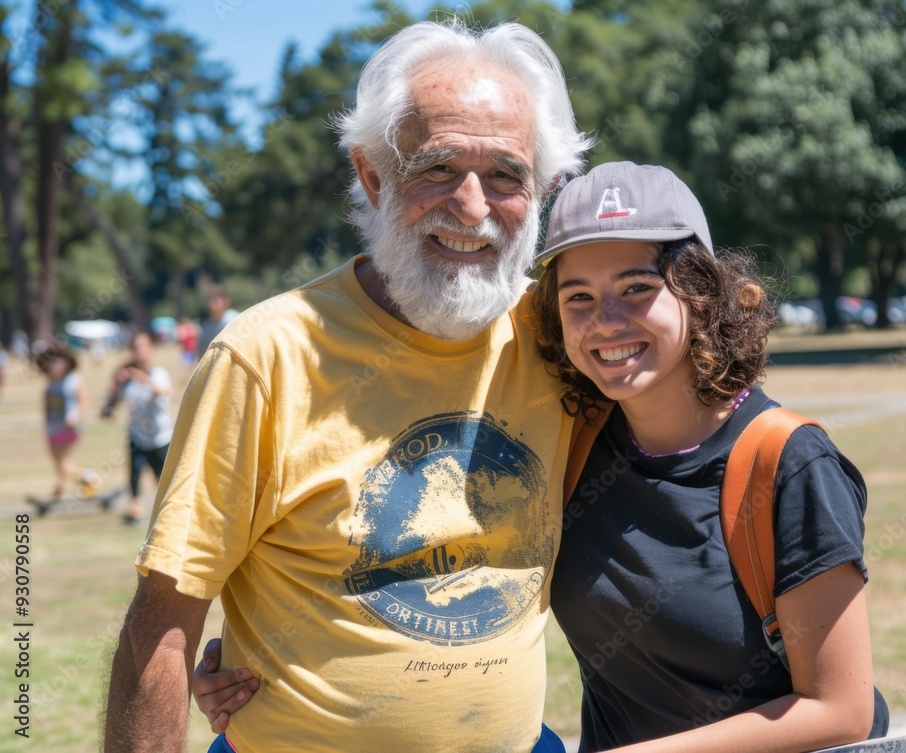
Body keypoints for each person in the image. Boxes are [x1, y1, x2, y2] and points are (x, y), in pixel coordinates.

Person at [104, 18, 590, 753]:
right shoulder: (265, 355)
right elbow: (163, 619)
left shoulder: (565, 337)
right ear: (372, 175)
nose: (471, 204)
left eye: (505, 175)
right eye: (436, 167)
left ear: (543, 188)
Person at [530, 161, 889, 751]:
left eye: (637, 288)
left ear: (699, 291)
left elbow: (840, 709)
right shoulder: (575, 441)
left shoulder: (789, 462)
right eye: (578, 297)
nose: (606, 321)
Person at [101, 330, 174, 524]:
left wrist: (142, 378)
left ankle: (169, 512)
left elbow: (165, 392)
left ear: (152, 349)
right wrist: (116, 386)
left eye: (143, 346)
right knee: (134, 472)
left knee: (162, 477)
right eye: (135, 347)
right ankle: (135, 508)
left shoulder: (159, 373)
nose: (139, 351)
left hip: (160, 436)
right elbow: (109, 409)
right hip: (137, 435)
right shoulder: (126, 378)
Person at [36, 342, 98, 499]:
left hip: (69, 428)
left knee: (64, 463)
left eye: (58, 361)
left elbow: (85, 402)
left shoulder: (73, 380)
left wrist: (76, 417)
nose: (54, 365)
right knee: (59, 464)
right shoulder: (51, 382)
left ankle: (89, 477)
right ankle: (61, 489)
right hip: (53, 428)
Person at [196, 284, 237, 358]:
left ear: (225, 301)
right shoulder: (206, 326)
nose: (213, 303)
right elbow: (203, 352)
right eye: (210, 300)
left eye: (216, 300)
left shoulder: (233, 319)